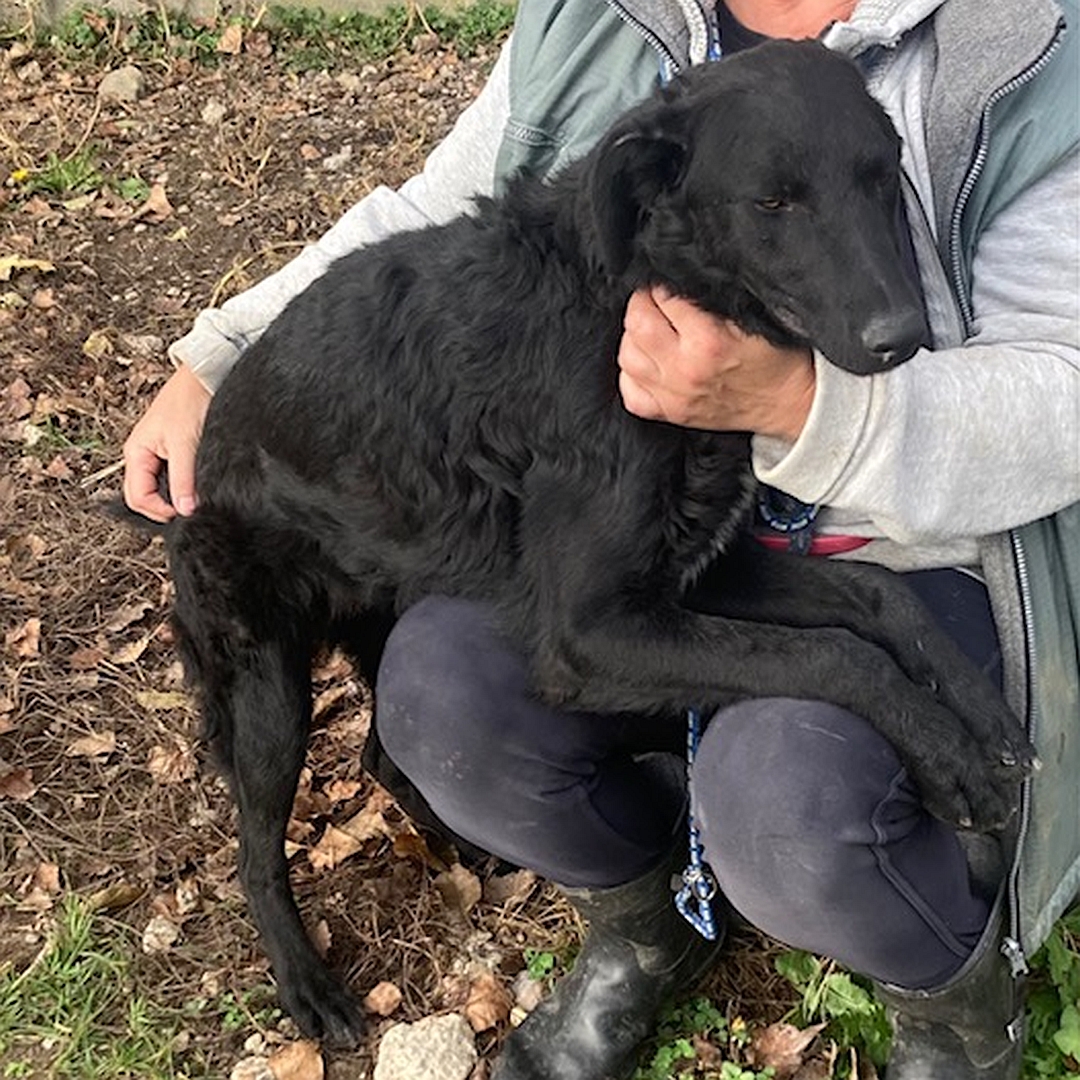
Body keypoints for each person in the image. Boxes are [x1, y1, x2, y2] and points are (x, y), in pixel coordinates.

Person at [123, 0, 1080, 1076]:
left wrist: (803, 406)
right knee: (442, 696)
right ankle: (642, 927)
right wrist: (212, 354)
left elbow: (1065, 391)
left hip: (921, 533)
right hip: (609, 534)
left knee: (786, 806)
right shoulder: (599, 22)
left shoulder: (1026, 51)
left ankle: (954, 1005)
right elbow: (431, 206)